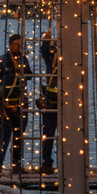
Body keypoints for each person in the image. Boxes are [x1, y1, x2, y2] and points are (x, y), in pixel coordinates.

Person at [0, 34, 33, 177]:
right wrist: (3, 90)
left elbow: (29, 76)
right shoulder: (2, 61)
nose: (18, 47)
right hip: (6, 104)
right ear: (10, 45)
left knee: (18, 137)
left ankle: (16, 166)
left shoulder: (23, 60)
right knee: (3, 137)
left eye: (20, 45)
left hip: (20, 103)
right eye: (16, 44)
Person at [40, 31, 58, 175]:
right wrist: (46, 39)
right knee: (48, 133)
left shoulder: (70, 59)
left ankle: (66, 162)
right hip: (51, 99)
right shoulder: (51, 58)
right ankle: (46, 162)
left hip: (66, 99)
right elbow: (44, 51)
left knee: (51, 133)